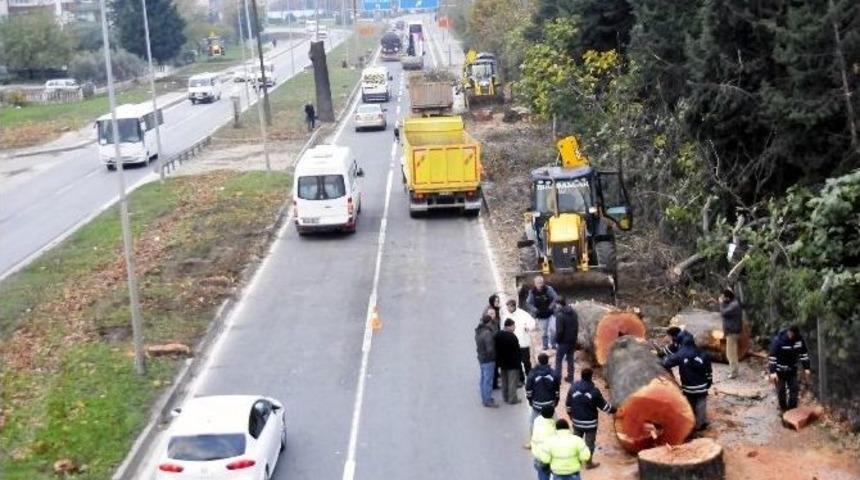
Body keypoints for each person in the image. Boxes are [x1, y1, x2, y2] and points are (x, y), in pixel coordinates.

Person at [565, 368, 616, 469]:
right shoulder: (594, 391)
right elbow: (604, 406)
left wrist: (571, 415)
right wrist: (615, 410)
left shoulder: (573, 387)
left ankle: (576, 460)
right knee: (589, 444)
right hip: (590, 423)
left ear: (581, 376)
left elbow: (568, 404)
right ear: (591, 377)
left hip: (576, 421)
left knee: (576, 441)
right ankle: (588, 463)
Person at [662, 334, 713, 431]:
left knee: (691, 404)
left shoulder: (681, 353)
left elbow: (667, 363)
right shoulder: (702, 352)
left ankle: (691, 424)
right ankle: (701, 423)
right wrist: (709, 381)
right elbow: (709, 370)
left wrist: (663, 358)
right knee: (701, 404)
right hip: (702, 386)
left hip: (688, 387)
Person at [768, 325, 811, 412]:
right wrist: (773, 372)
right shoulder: (779, 340)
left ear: (796, 334)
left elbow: (804, 355)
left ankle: (792, 410)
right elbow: (772, 356)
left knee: (794, 388)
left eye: (792, 334)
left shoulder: (799, 341)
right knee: (781, 391)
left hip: (792, 369)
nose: (790, 335)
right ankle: (783, 409)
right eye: (789, 333)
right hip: (779, 370)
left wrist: (807, 368)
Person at [526, 353, 561, 434]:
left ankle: (532, 440)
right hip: (549, 404)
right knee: (554, 422)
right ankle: (556, 438)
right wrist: (556, 401)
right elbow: (557, 390)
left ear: (538, 361)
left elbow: (528, 390)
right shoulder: (554, 374)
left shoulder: (532, 373)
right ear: (547, 361)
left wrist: (530, 401)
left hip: (537, 403)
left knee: (533, 422)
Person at [505, 299, 536, 381]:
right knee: (516, 362)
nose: (508, 309)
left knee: (526, 362)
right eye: (507, 307)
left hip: (523, 343)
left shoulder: (523, 314)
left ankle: (529, 376)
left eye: (509, 307)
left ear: (513, 306)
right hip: (513, 344)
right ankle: (520, 379)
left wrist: (528, 327)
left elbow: (532, 322)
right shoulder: (506, 315)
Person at [526, 276, 559, 350]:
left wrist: (551, 306)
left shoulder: (548, 289)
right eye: (538, 283)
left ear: (543, 283)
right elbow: (528, 303)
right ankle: (545, 345)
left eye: (541, 283)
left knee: (553, 330)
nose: (540, 285)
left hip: (551, 313)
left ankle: (554, 344)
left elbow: (556, 297)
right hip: (541, 315)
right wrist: (535, 310)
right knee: (544, 332)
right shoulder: (532, 292)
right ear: (535, 284)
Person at [495, 319, 522, 404]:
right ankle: (512, 399)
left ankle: (505, 397)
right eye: (513, 326)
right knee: (512, 382)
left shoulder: (498, 335)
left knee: (504, 381)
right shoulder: (512, 337)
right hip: (513, 363)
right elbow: (517, 351)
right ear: (509, 326)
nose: (514, 327)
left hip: (502, 363)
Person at [475, 314, 498, 408]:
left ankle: (484, 398)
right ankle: (488, 400)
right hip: (488, 359)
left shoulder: (479, 331)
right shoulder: (487, 333)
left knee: (483, 378)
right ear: (488, 322)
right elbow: (490, 349)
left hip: (481, 357)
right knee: (488, 380)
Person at [719, 288, 743, 378]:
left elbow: (724, 312)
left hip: (732, 332)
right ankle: (734, 370)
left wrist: (721, 303)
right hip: (732, 331)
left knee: (730, 353)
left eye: (724, 297)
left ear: (728, 298)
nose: (723, 299)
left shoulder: (734, 305)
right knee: (732, 352)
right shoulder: (733, 303)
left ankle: (734, 372)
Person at [554, 296, 578, 383]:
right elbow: (576, 327)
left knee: (558, 360)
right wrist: (575, 339)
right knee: (570, 359)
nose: (556, 307)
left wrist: (557, 340)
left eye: (556, 305)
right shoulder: (574, 313)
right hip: (572, 340)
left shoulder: (560, 315)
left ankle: (557, 378)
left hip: (563, 341)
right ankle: (570, 377)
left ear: (559, 305)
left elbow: (559, 331)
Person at [530, 406, 556, 480]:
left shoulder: (537, 421)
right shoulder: (553, 426)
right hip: (549, 456)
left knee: (542, 474)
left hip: (538, 455)